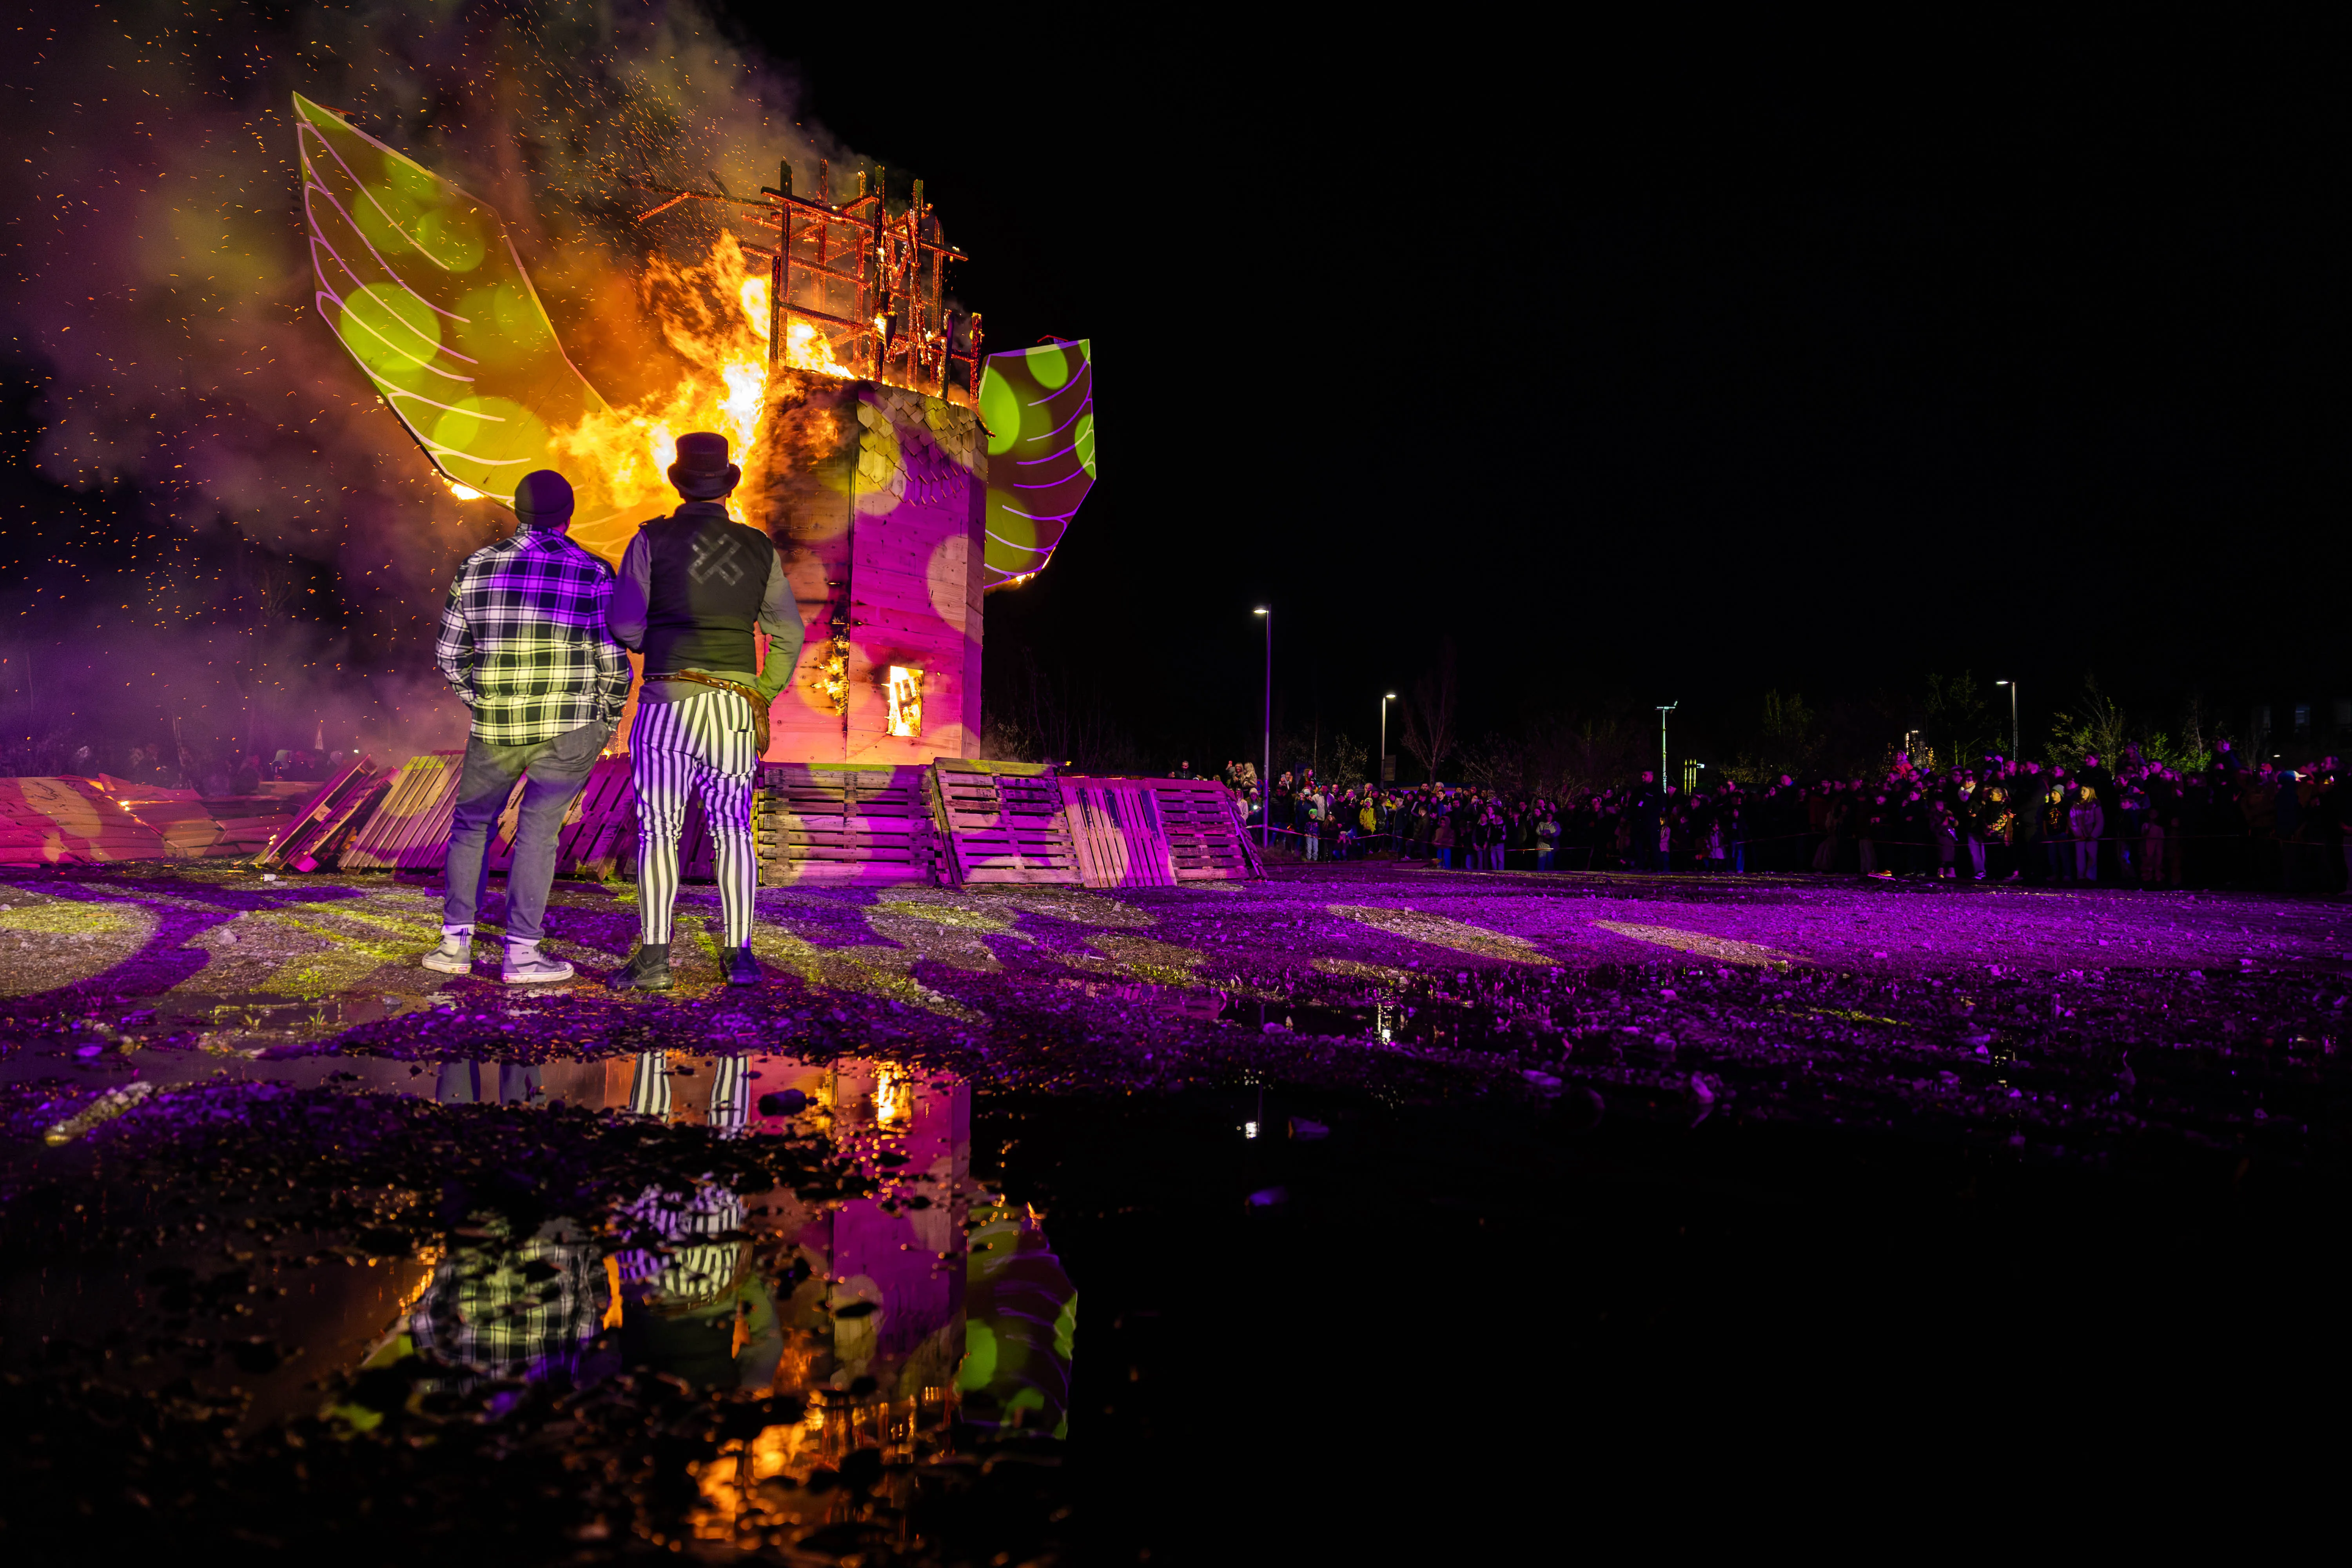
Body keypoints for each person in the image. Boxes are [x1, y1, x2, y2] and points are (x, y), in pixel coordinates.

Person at [606, 433, 803, 991]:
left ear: (680, 484)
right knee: (733, 828)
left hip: (667, 703)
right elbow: (788, 632)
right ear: (725, 488)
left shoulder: (650, 540)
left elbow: (623, 625)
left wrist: (654, 641)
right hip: (735, 712)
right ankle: (739, 955)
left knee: (659, 832)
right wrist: (761, 689)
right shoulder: (759, 548)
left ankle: (656, 960)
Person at [426, 469, 629, 985]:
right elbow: (613, 663)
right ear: (568, 517)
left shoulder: (477, 566)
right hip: (569, 728)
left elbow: (451, 655)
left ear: (516, 513)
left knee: (473, 827)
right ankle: (521, 956)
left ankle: (455, 948)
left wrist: (484, 701)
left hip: (497, 726)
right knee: (539, 835)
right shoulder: (593, 572)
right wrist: (606, 720)